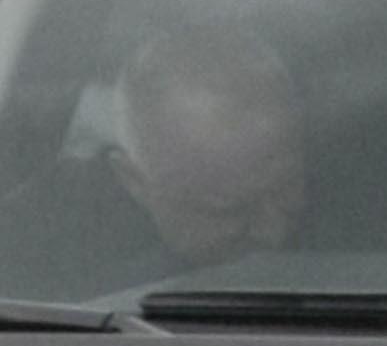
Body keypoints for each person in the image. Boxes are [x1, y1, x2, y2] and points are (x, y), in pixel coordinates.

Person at [102, 22, 308, 277]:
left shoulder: (364, 242)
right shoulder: (85, 305)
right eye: (229, 209)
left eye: (286, 188)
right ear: (134, 181)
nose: (273, 231)